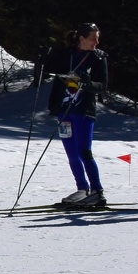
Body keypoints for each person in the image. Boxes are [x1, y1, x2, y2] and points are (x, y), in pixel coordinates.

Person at [44, 22, 109, 210]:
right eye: (93, 38)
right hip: (65, 110)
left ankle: (97, 191)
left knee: (84, 151)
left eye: (97, 38)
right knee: (71, 152)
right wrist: (44, 57)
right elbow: (49, 68)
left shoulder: (98, 57)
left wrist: (88, 84)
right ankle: (82, 188)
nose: (96, 42)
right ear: (81, 38)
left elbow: (103, 85)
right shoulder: (68, 54)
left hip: (84, 110)